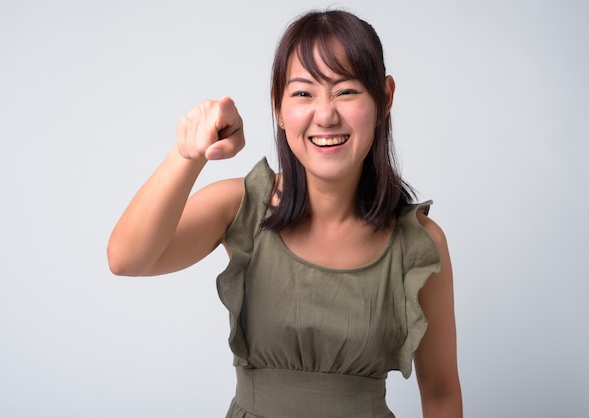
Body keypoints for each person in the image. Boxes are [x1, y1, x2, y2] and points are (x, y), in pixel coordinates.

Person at [107, 9, 462, 418]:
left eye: (346, 91)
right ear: (277, 106)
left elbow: (440, 394)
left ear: (385, 97)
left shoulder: (419, 243)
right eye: (303, 93)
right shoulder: (241, 205)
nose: (325, 115)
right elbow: (126, 259)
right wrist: (188, 155)